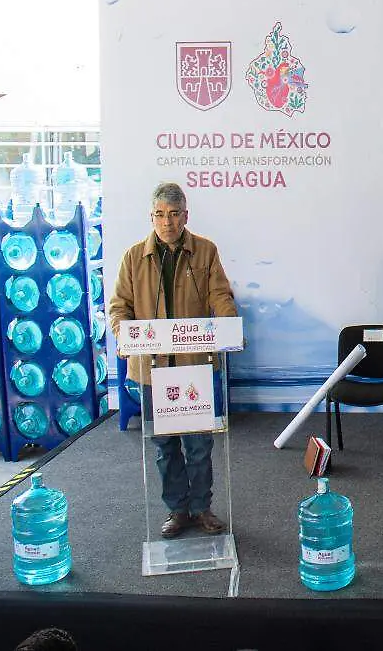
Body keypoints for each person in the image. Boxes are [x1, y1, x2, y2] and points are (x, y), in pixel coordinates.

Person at [109, 182, 238, 538]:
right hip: (153, 370)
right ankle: (177, 510)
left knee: (198, 444)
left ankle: (201, 508)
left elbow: (221, 296)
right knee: (165, 446)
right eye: (160, 215)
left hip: (194, 365)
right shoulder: (133, 257)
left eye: (174, 214)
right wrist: (122, 334)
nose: (167, 222)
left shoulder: (206, 251)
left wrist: (228, 327)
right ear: (151, 217)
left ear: (186, 216)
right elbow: (119, 307)